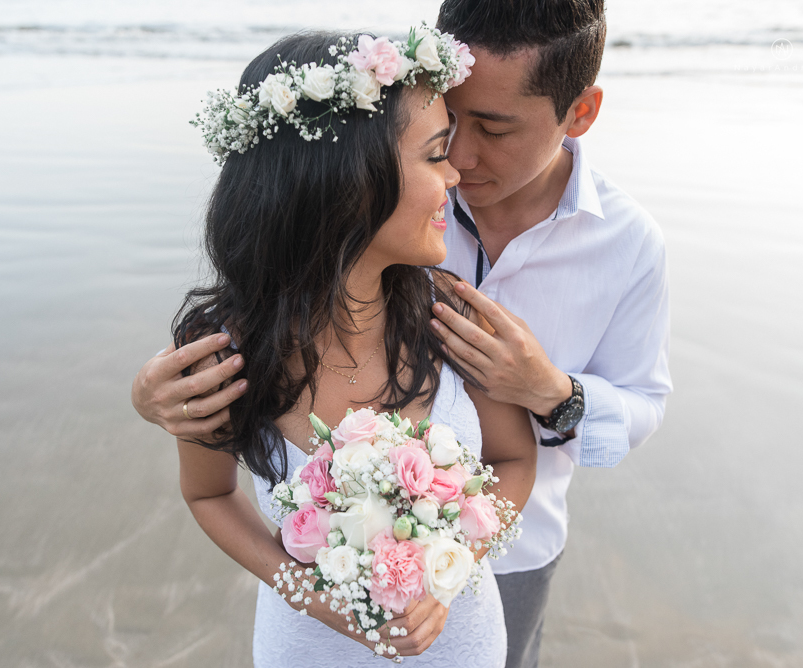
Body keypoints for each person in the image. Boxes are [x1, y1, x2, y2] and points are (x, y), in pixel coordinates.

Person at [134, 1, 673, 666]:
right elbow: (209, 482)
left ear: (578, 115)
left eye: (493, 129)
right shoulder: (244, 340)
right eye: (445, 139)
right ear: (350, 181)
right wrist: (152, 396)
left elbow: (604, 422)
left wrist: (549, 391)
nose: (460, 167)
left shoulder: (617, 246)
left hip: (509, 560)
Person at [170, 29, 538, 667]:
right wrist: (308, 593)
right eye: (433, 155)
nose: (455, 173)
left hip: (462, 648)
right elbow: (208, 495)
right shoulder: (224, 354)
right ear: (350, 184)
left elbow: (514, 460)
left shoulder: (449, 315)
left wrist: (448, 571)